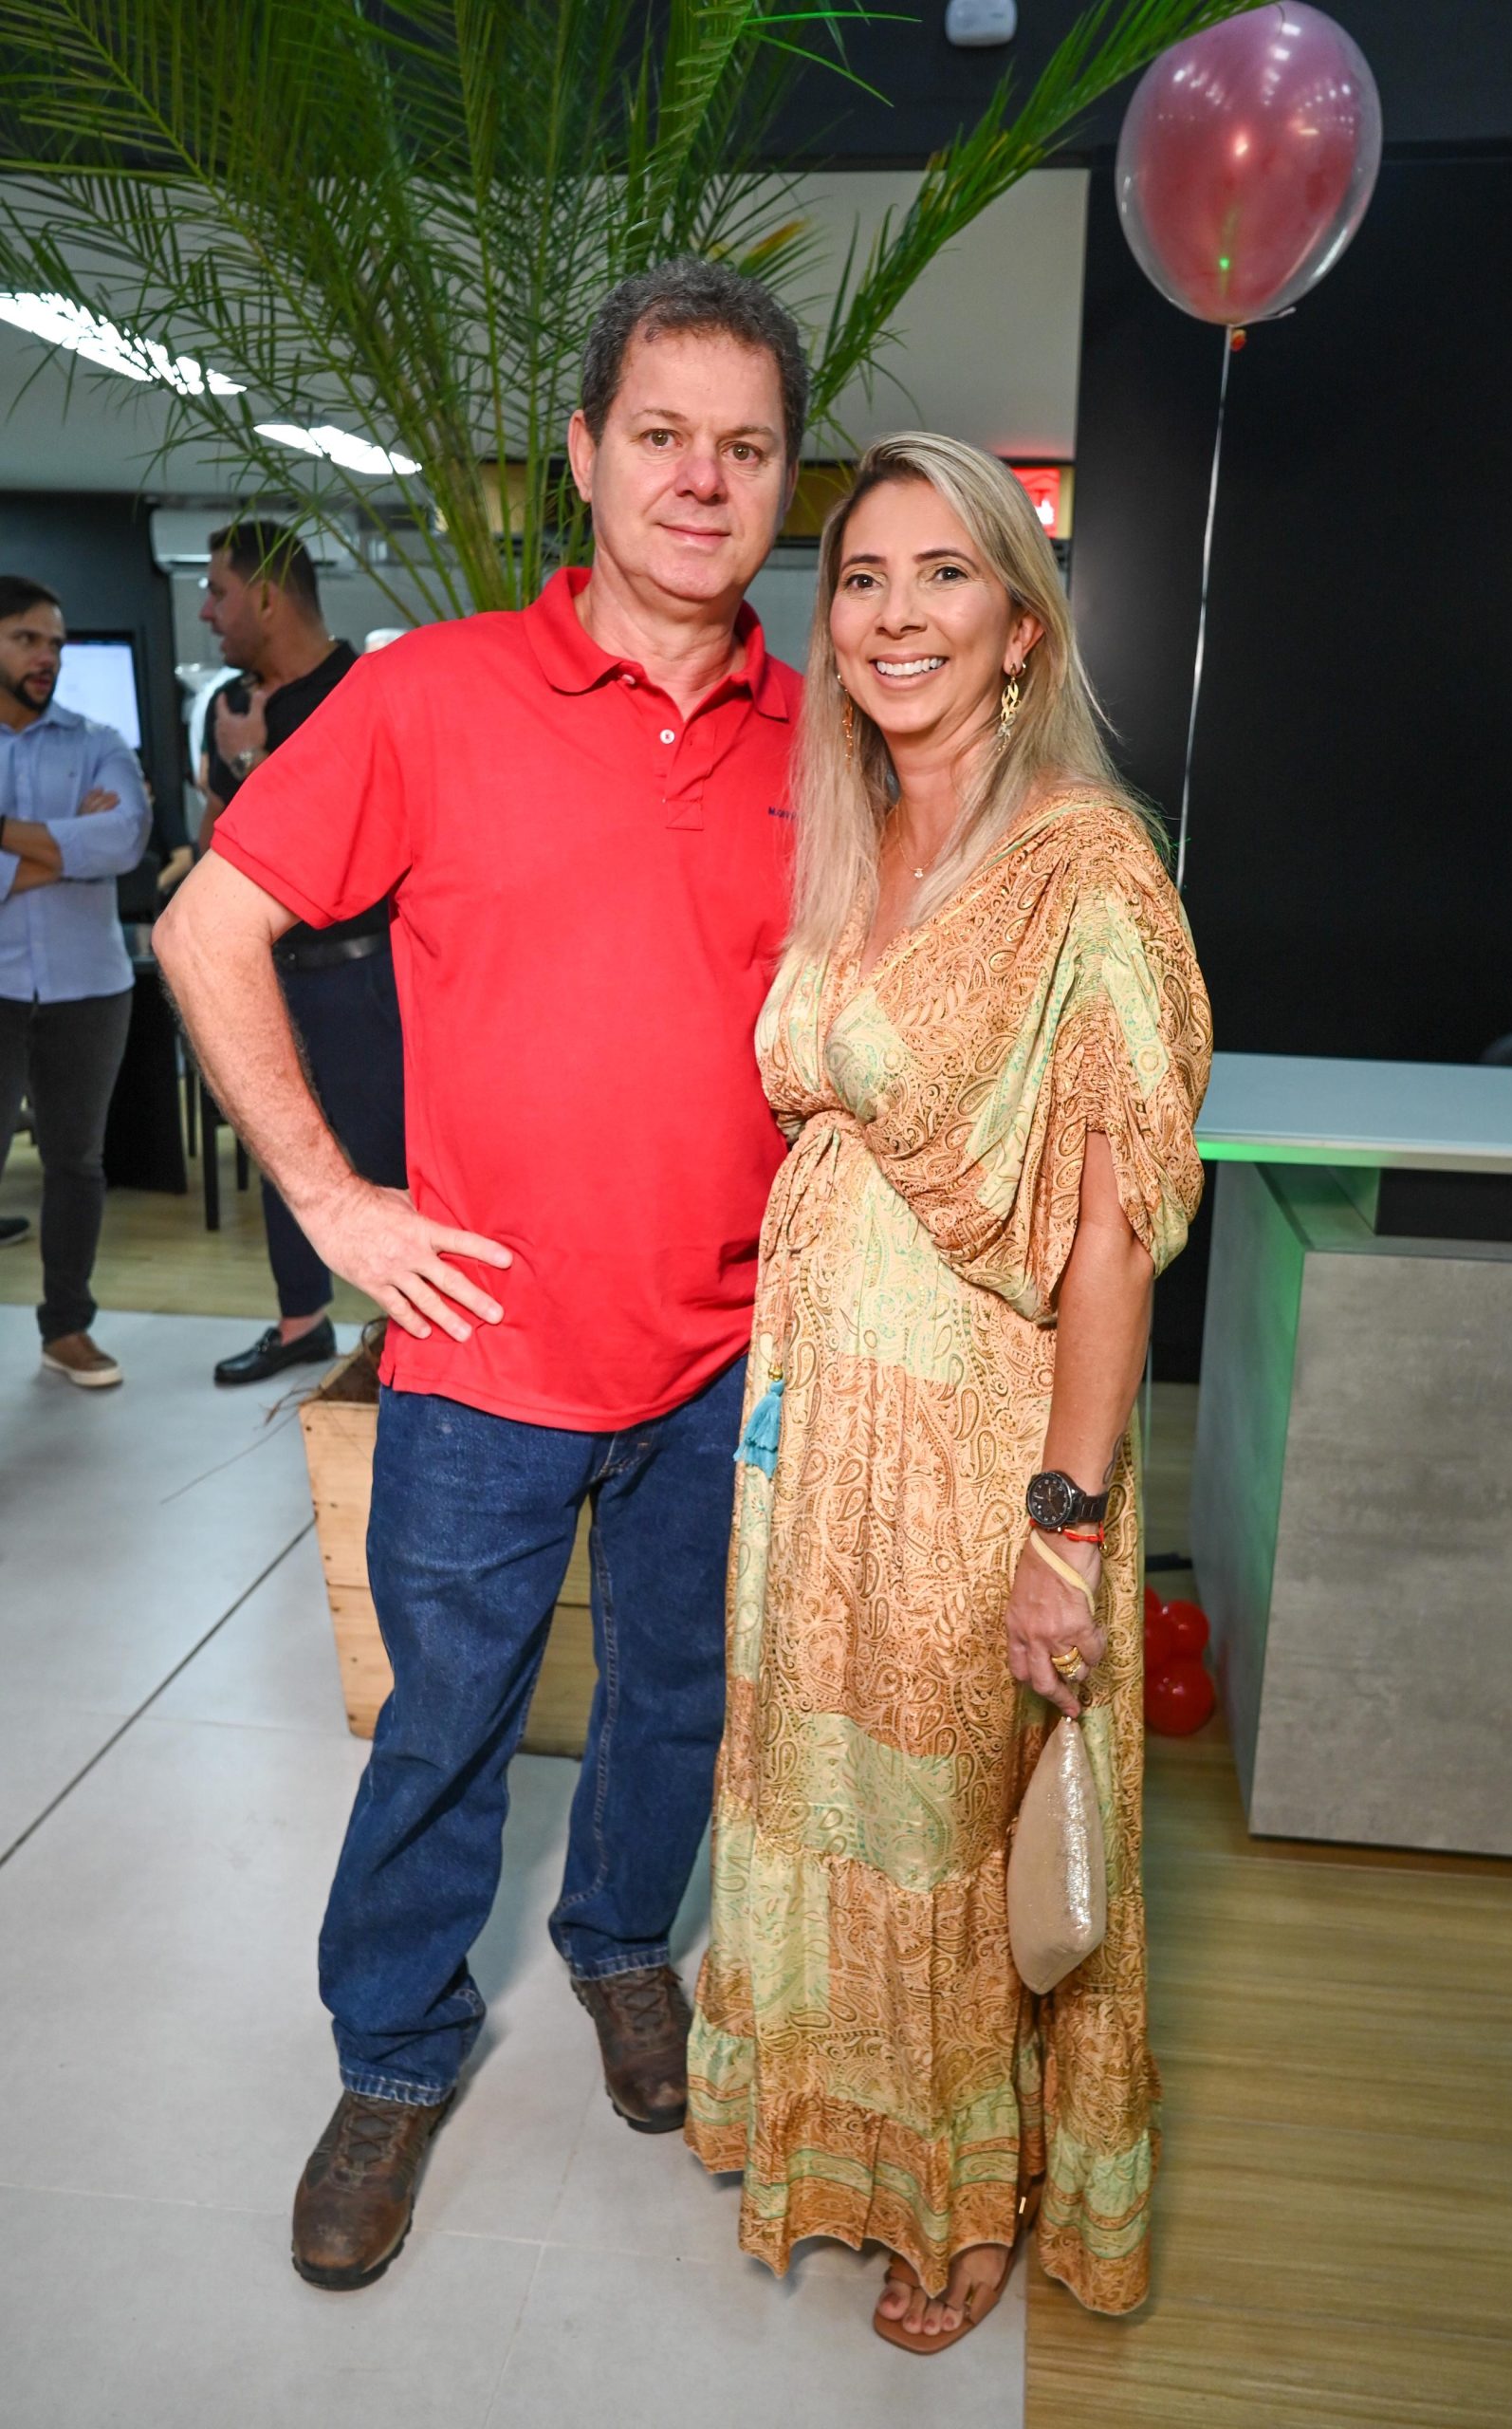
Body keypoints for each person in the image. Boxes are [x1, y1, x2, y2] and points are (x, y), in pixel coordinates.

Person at [154, 258, 806, 2290]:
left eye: (746, 446)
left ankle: (618, 1944)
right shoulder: (431, 696)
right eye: (661, 435)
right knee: (444, 1724)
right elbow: (205, 929)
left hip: (729, 1356)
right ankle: (394, 2051)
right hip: (483, 1349)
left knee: (679, 1699)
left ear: (785, 478)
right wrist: (336, 1204)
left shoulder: (833, 736)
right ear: (587, 457)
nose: (701, 479)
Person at [685, 436, 1212, 2348]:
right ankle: (841, 2130)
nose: (895, 614)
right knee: (817, 1785)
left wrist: (1062, 1528)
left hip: (974, 1451)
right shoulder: (855, 839)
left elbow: (1110, 1236)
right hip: (814, 1436)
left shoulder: (1085, 869)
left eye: (943, 576)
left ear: (1019, 626)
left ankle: (959, 2195)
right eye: (863, 579)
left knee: (940, 1826)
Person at [194, 521, 408, 1387]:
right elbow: (213, 852)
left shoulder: (363, 691)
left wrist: (253, 764)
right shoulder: (231, 706)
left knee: (394, 1155)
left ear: (267, 598)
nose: (207, 614)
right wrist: (234, 770)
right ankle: (300, 1323)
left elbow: (355, 846)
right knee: (277, 1139)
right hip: (268, 972)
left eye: (218, 593)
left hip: (365, 973)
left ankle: (412, 1334)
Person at [0, 575, 152, 1385]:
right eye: (26, 639)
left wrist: (6, 839)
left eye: (55, 644)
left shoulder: (100, 741)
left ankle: (66, 1329)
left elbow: (123, 839)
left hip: (90, 988)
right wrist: (67, 847)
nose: (47, 658)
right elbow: (93, 846)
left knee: (76, 1163)